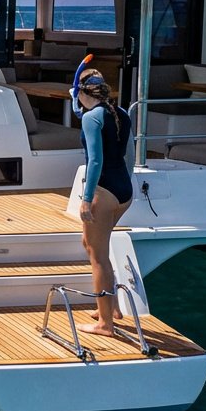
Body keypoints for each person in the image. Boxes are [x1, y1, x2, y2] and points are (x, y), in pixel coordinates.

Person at [72, 68, 134, 337]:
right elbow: (127, 154)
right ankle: (112, 308)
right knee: (94, 246)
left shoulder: (91, 117)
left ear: (84, 93)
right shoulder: (119, 113)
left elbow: (94, 160)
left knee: (98, 257)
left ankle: (105, 324)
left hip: (103, 191)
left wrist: (86, 200)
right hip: (123, 191)